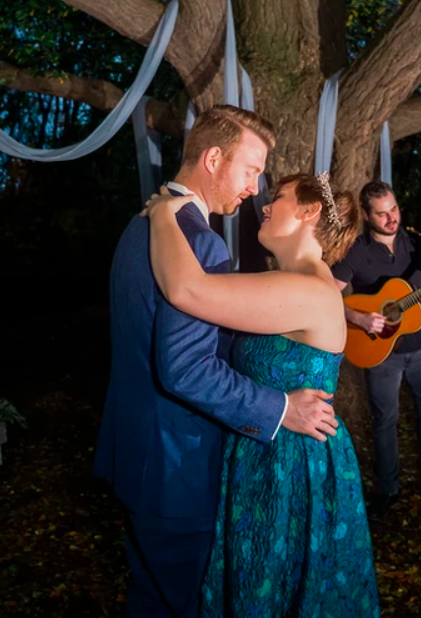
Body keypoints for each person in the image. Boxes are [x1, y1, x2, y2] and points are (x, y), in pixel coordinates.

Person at [93, 105, 338, 618]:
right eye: (250, 170)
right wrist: (279, 408)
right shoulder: (199, 244)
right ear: (211, 158)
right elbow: (186, 369)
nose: (255, 188)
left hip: (134, 453)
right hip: (177, 466)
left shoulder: (140, 226)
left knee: (150, 595)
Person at [144, 172, 380, 617]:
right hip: (268, 451)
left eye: (280, 198)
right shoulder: (289, 280)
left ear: (309, 212)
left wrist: (161, 215)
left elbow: (185, 289)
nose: (266, 206)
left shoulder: (309, 288)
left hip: (289, 467)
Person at [332, 180, 421, 518]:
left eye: (394, 209)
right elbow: (326, 291)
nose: (391, 218)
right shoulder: (355, 250)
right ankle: (387, 489)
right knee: (385, 420)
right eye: (382, 214)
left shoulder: (419, 245)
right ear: (367, 216)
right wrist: (357, 316)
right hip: (380, 352)